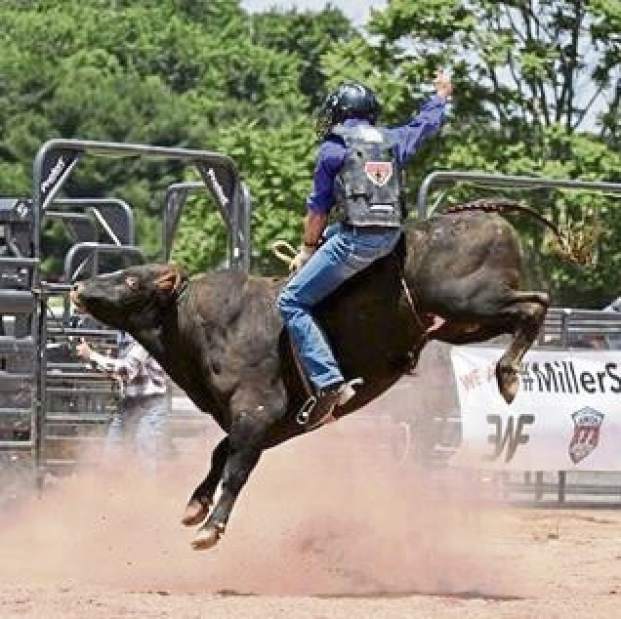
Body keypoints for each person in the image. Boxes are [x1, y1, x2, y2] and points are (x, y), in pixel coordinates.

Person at [277, 71, 453, 423]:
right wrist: (441, 95)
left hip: (355, 241)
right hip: (391, 238)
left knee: (291, 301)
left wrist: (308, 248)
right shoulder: (392, 140)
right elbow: (425, 124)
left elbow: (317, 212)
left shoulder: (332, 150)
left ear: (340, 114)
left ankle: (329, 382)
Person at [76, 333, 170, 471]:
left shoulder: (145, 334)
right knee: (111, 458)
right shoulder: (123, 334)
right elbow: (118, 373)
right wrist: (92, 359)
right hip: (130, 404)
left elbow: (126, 369)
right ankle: (114, 490)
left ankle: (146, 491)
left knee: (144, 461)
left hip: (150, 405)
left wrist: (92, 355)